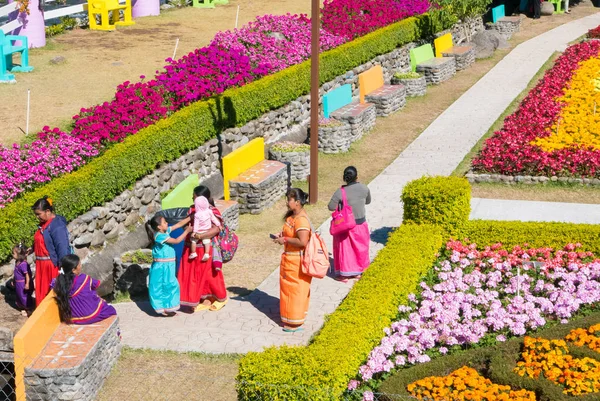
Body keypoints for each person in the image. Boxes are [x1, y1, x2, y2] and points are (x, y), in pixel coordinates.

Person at [178, 186, 228, 312]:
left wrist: (200, 236)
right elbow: (187, 224)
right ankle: (202, 299)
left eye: (194, 196)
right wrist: (187, 231)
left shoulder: (212, 211)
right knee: (195, 275)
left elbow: (217, 228)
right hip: (192, 248)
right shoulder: (192, 209)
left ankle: (221, 297)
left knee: (210, 274)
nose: (192, 198)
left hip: (207, 248)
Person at [272, 188, 312, 332]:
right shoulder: (293, 217)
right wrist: (282, 235)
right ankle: (293, 316)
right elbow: (291, 233)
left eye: (290, 199)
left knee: (294, 291)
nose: (287, 202)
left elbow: (302, 242)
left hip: (296, 261)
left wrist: (286, 239)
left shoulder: (301, 220)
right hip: (289, 259)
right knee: (289, 290)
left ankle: (294, 322)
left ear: (298, 202)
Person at [328, 166, 372, 283]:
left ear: (344, 178)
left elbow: (331, 207)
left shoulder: (340, 192)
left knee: (346, 251)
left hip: (346, 227)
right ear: (357, 176)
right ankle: (359, 271)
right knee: (360, 248)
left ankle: (344, 274)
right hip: (360, 224)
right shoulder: (364, 188)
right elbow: (368, 201)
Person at [147, 214, 192, 316]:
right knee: (162, 286)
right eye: (164, 222)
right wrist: (187, 231)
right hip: (162, 267)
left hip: (169, 265)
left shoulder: (165, 231)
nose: (167, 223)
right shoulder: (159, 236)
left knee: (170, 285)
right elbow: (176, 241)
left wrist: (191, 216)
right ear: (159, 227)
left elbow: (179, 224)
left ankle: (168, 307)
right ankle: (162, 308)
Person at [53, 254, 116, 324]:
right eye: (79, 265)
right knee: (111, 310)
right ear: (73, 270)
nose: (81, 266)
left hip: (72, 318)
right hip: (90, 315)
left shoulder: (59, 282)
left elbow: (53, 285)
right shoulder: (83, 278)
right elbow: (96, 284)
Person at [31, 196, 71, 306]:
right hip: (41, 266)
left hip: (51, 267)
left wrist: (63, 270)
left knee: (52, 295)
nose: (37, 217)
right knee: (43, 294)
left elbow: (62, 248)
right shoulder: (45, 224)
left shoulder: (57, 227)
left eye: (39, 214)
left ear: (48, 211)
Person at [189, 196, 221, 262]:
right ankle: (206, 253)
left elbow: (196, 224)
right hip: (207, 230)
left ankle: (193, 253)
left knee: (193, 241)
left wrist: (194, 232)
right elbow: (214, 219)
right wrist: (219, 225)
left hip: (199, 231)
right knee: (207, 241)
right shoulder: (209, 211)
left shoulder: (197, 214)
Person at [13, 243, 34, 316]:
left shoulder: (23, 264)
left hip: (22, 283)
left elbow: (27, 275)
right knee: (19, 295)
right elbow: (15, 273)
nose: (13, 255)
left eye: (14, 253)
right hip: (18, 283)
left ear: (19, 254)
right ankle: (23, 307)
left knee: (24, 296)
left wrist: (27, 283)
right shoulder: (17, 262)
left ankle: (29, 308)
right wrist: (13, 280)